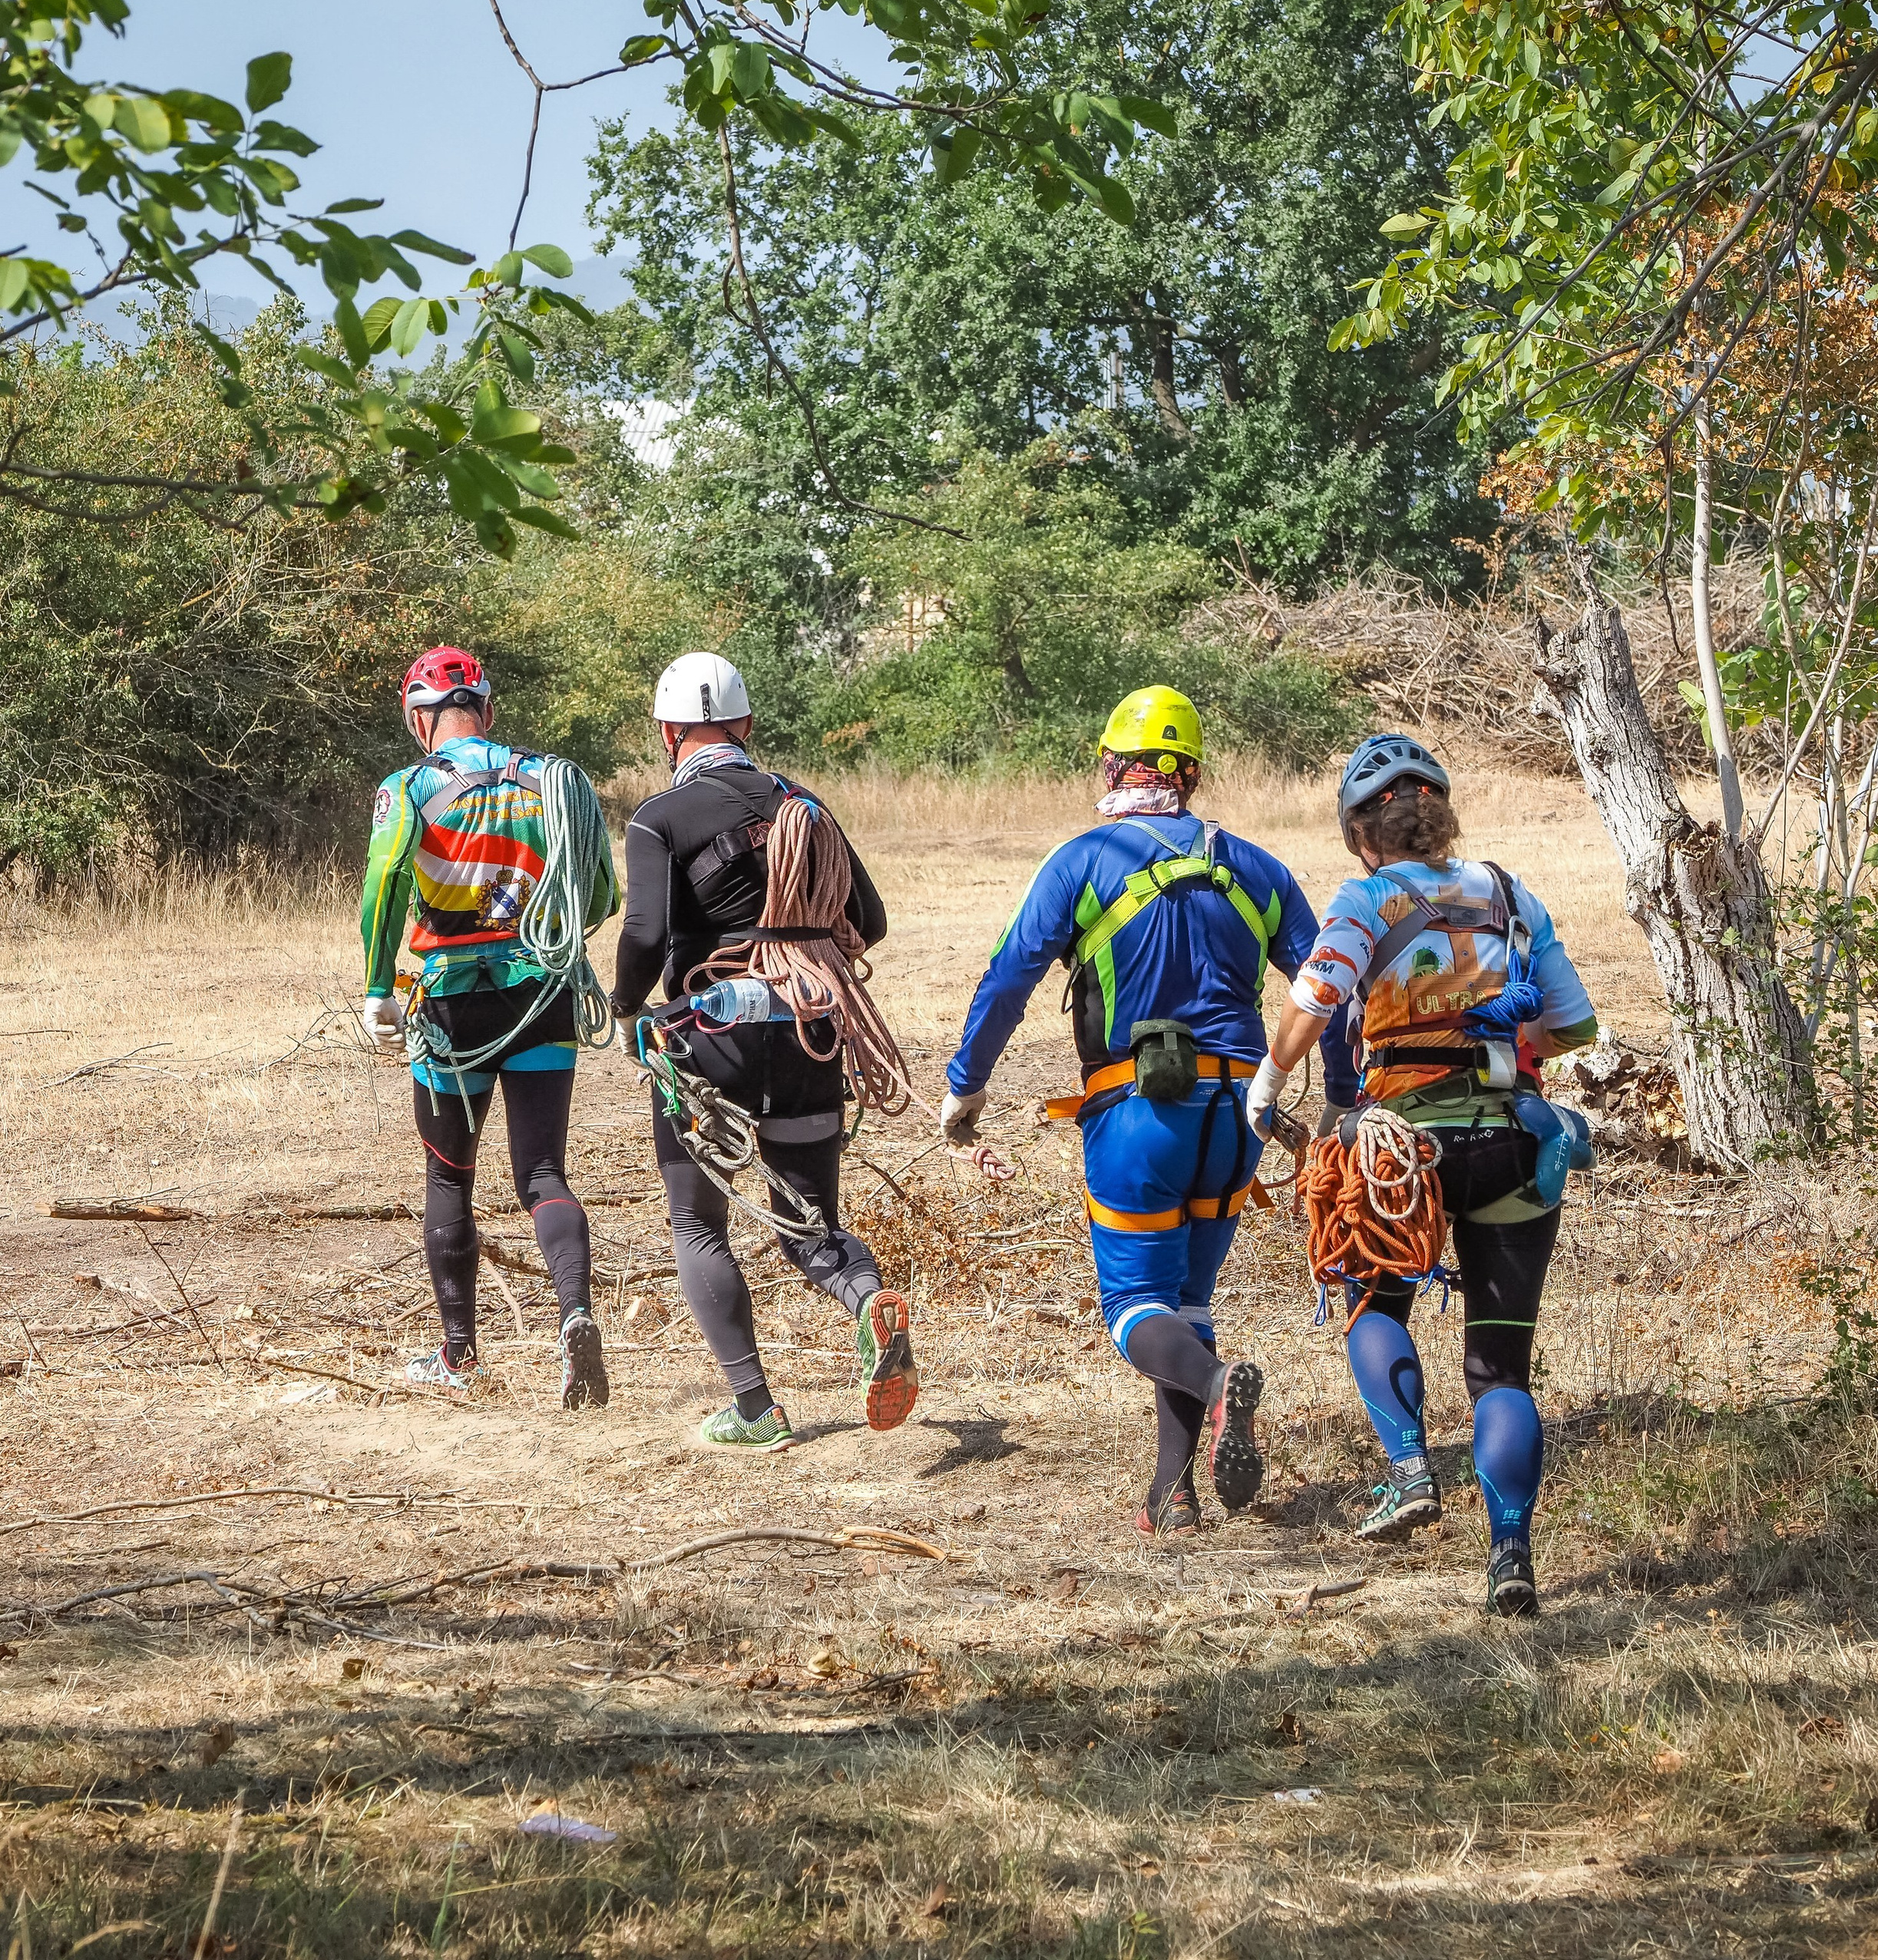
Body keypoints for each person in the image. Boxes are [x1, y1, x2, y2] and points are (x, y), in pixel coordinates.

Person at [941, 686, 1321, 1538]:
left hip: (1141, 1111)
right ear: (1190, 774)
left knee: (1133, 1308)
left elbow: (1008, 977)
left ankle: (1219, 1387)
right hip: (1239, 1116)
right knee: (1186, 1298)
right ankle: (1171, 1496)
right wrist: (1345, 1099)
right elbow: (1329, 986)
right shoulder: (1258, 867)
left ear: (1113, 764)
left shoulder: (1082, 858)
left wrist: (966, 1086)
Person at [1246, 733, 1599, 1615]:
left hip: (1404, 1149)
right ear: (1438, 817)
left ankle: (1409, 1471)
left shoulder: (1366, 899)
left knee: (1373, 1304)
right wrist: (1514, 1034)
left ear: (1361, 832)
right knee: (1502, 1369)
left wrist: (1266, 1089)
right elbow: (1575, 1024)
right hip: (1515, 1139)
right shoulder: (1512, 894)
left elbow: (1311, 1003)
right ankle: (1510, 1552)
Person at [610, 650, 918, 1453]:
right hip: (812, 1030)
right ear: (745, 726)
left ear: (670, 734)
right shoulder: (802, 805)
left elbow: (644, 934)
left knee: (697, 1222)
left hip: (708, 1039)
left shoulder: (658, 818)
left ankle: (756, 1409)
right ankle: (867, 1301)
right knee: (810, 1229)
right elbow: (870, 920)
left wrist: (623, 1007)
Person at [360, 646, 621, 1408]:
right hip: (545, 990)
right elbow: (601, 890)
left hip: (449, 1002)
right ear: (489, 709)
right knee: (542, 1172)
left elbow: (384, 884)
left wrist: (378, 986)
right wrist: (544, 930)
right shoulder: (556, 779)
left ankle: (460, 1355)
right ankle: (574, 1312)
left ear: (417, 718)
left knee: (450, 1175)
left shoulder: (407, 788)